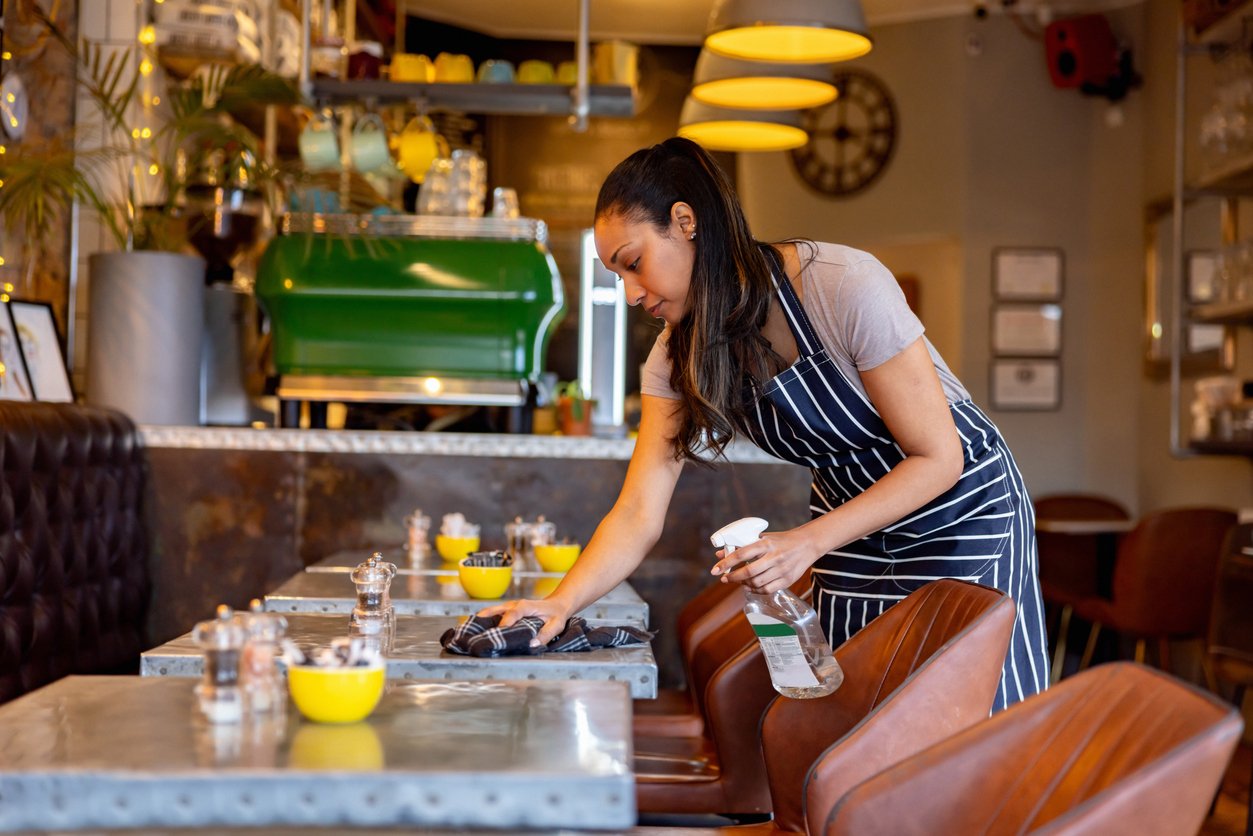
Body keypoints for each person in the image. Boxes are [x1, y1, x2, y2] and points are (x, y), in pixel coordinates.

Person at [482, 137, 1048, 710]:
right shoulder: (675, 358)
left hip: (958, 510)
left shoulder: (843, 285)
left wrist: (806, 543)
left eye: (634, 263)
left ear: (685, 223)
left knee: (968, 717)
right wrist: (560, 603)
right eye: (617, 276)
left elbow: (938, 458)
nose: (630, 293)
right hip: (850, 515)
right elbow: (636, 512)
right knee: (859, 716)